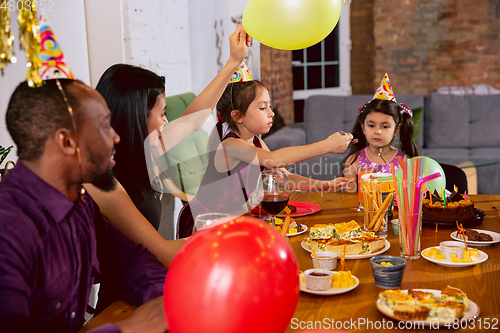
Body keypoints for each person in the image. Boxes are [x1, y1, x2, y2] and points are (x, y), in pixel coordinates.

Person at [0, 79, 168, 333]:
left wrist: (163, 299)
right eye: (103, 127)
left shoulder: (79, 203)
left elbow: (131, 260)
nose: (116, 137)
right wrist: (128, 328)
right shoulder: (8, 228)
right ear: (67, 142)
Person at [84, 25, 251, 267]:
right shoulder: (103, 182)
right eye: (162, 114)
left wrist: (234, 62)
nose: (167, 122)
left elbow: (193, 121)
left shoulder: (141, 149)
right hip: (126, 299)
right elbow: (163, 251)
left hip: (151, 279)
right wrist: (229, 232)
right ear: (136, 119)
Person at [177, 80, 355, 238]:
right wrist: (326, 146)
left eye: (269, 106)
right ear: (237, 116)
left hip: (238, 219)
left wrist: (323, 185)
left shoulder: (257, 143)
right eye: (263, 108)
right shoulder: (230, 146)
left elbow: (284, 178)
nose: (271, 113)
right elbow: (274, 159)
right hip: (207, 223)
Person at [341, 73, 420, 182]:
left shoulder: (406, 163)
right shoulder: (353, 162)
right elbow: (349, 197)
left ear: (396, 129)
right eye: (371, 125)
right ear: (363, 127)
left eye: (385, 126)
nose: (377, 131)